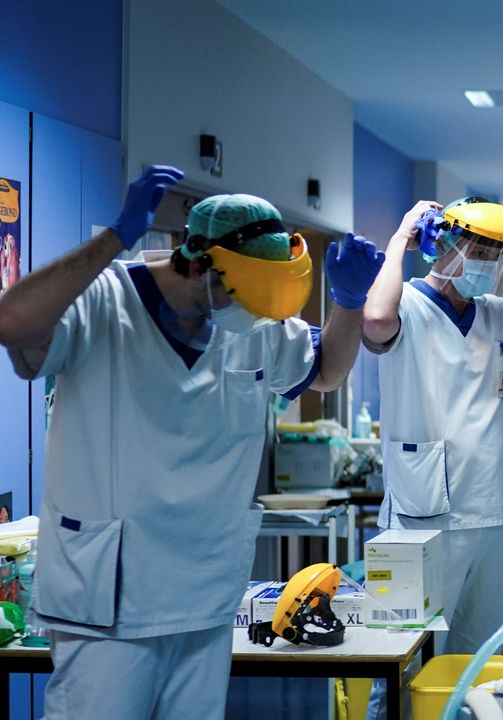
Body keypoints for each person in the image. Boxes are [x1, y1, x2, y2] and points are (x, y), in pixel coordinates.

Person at [0, 166, 382, 719]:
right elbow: (11, 323)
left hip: (206, 592)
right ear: (200, 265)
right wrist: (113, 237)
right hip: (110, 600)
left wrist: (347, 302)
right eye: (249, 291)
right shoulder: (103, 302)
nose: (259, 310)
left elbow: (324, 372)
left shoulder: (254, 322)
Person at [362, 198, 503, 716]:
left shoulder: (499, 314)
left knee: (473, 655)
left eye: (498, 254)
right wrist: (400, 238)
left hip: (487, 509)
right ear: (441, 245)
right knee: (402, 651)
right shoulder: (408, 304)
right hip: (419, 513)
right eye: (479, 249)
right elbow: (375, 320)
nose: (488, 263)